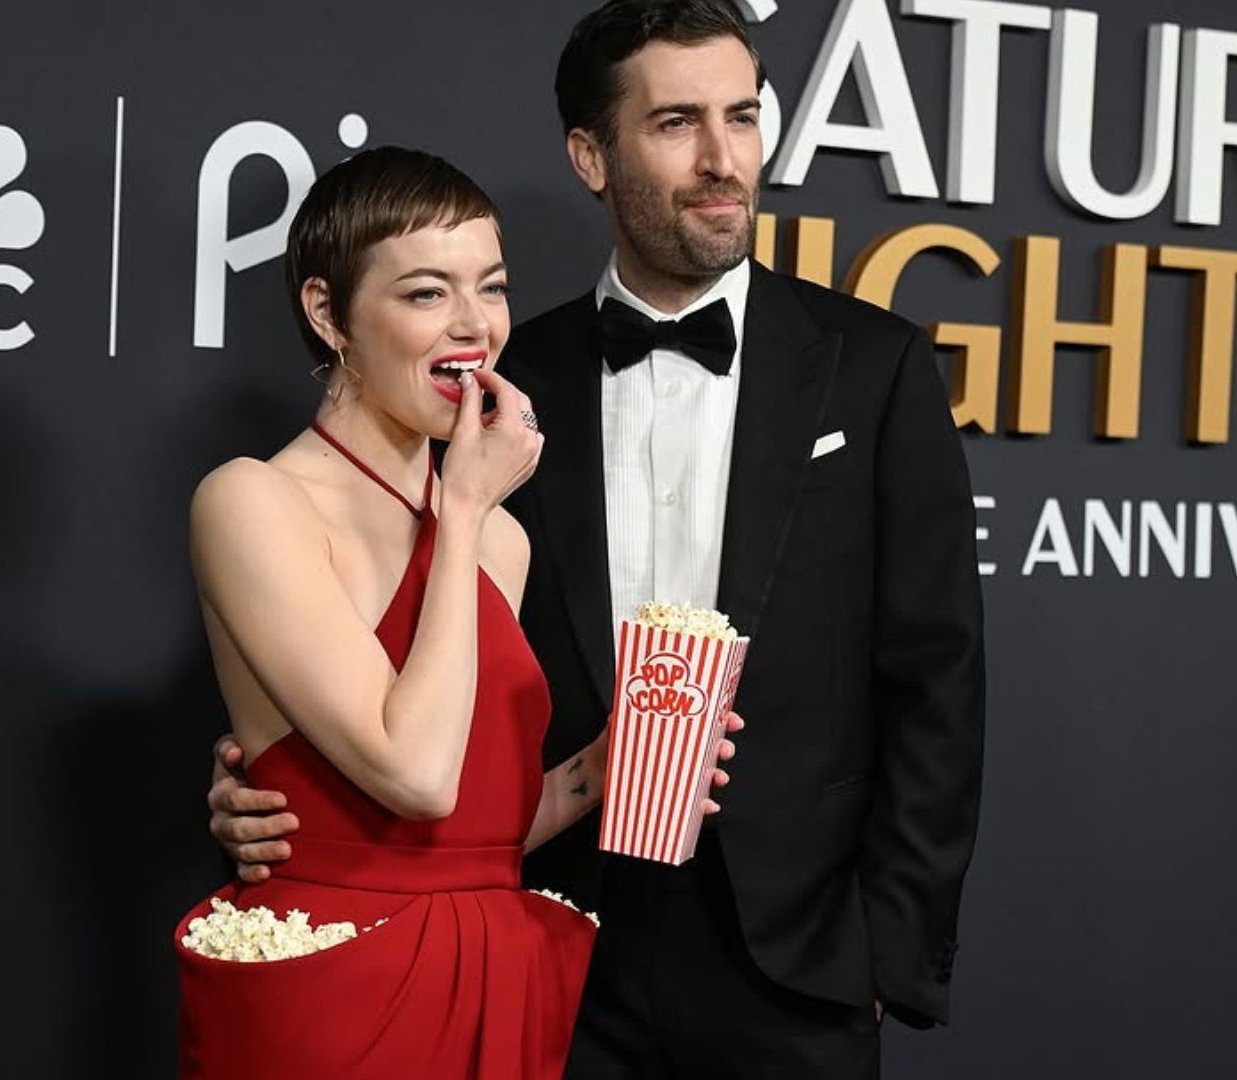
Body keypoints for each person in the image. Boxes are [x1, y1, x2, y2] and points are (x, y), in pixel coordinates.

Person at [208, 3, 986, 1077]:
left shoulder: (876, 367)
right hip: (556, 930)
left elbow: (937, 677)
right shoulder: (494, 391)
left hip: (794, 957)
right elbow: (391, 668)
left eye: (743, 117)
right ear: (591, 155)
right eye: (675, 123)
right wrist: (280, 786)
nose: (723, 160)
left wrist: (885, 952)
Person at [176, 146, 671, 1080]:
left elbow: (470, 831)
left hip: (498, 972)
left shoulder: (500, 544)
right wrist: (466, 511)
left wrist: (601, 771)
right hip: (337, 985)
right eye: (425, 294)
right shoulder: (253, 502)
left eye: (491, 287)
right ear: (329, 314)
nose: (475, 326)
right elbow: (414, 774)